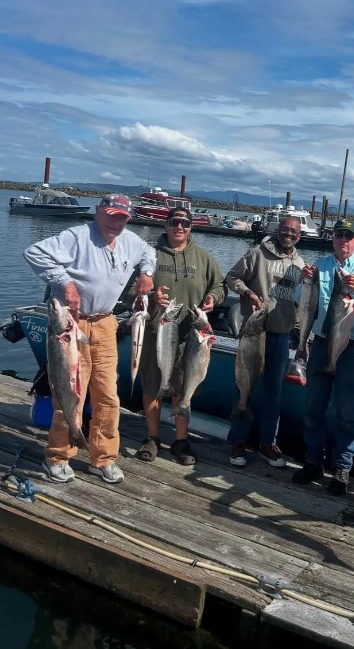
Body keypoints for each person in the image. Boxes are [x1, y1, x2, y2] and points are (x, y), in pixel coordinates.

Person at [24, 194, 156, 485]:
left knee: (108, 394)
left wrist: (146, 274)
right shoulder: (77, 236)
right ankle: (57, 457)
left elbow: (149, 253)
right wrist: (64, 283)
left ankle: (103, 458)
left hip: (106, 323)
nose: (115, 222)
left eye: (121, 217)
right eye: (110, 215)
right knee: (71, 392)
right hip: (70, 324)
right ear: (98, 212)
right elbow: (34, 252)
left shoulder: (132, 241)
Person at [292, 219, 354, 495]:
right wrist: (303, 280)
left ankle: (342, 468)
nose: (343, 239)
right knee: (313, 408)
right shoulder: (320, 265)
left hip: (351, 348)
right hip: (319, 345)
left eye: (349, 236)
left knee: (347, 412)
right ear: (332, 238)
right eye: (339, 234)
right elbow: (300, 299)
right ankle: (313, 461)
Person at [136, 207, 226, 466]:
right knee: (153, 386)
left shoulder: (203, 258)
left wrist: (213, 298)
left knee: (182, 388)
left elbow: (219, 285)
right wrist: (151, 297)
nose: (180, 227)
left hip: (191, 336)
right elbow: (132, 287)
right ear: (165, 225)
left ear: (191, 227)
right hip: (156, 332)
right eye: (174, 222)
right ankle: (152, 438)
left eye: (185, 223)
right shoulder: (149, 256)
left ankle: (181, 440)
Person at [225, 214, 304, 467]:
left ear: (299, 236)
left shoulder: (300, 264)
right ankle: (238, 440)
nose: (288, 234)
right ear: (277, 230)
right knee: (244, 387)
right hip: (253, 333)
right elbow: (232, 277)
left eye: (293, 231)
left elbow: (298, 303)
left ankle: (267, 443)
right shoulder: (257, 253)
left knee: (274, 393)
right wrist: (247, 292)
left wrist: (303, 336)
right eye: (284, 229)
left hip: (280, 336)